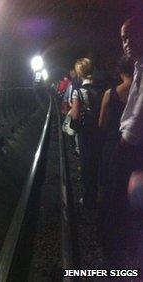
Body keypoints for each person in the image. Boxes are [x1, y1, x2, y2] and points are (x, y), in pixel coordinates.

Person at [104, 14, 143, 266]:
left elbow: (139, 112)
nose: (126, 42)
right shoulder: (139, 65)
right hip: (131, 144)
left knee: (118, 202)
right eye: (123, 38)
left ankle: (119, 263)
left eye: (131, 35)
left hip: (133, 146)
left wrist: (125, 143)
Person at [99, 56, 133, 199]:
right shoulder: (139, 93)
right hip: (135, 145)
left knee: (111, 183)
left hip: (113, 142)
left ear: (119, 70)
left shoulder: (110, 94)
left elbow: (101, 123)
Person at [70, 58, 103, 208]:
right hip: (99, 131)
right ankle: (98, 193)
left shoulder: (79, 92)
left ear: (79, 73)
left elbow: (75, 117)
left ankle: (89, 199)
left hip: (85, 133)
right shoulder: (102, 90)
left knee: (86, 164)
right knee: (96, 163)